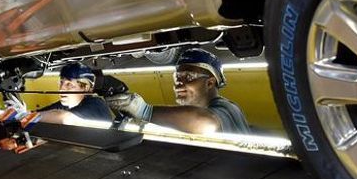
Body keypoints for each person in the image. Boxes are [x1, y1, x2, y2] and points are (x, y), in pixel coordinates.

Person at [105, 48, 250, 134]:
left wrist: (145, 111)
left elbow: (204, 121)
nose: (179, 84)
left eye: (188, 76)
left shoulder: (228, 108)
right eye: (177, 77)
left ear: (210, 82)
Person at [34, 62, 112, 124]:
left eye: (69, 84)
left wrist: (27, 117)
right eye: (61, 83)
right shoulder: (64, 105)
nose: (61, 89)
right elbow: (37, 113)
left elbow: (64, 118)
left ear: (86, 88)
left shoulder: (96, 104)